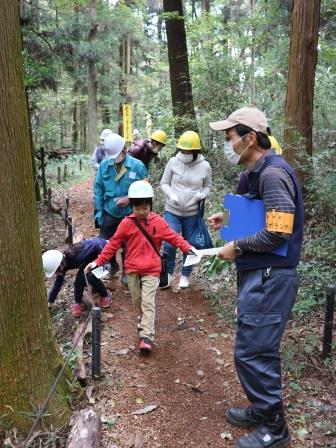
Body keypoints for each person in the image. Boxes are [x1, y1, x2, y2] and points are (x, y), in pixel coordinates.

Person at [208, 107, 304, 448]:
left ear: (250, 138)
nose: (226, 143)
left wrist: (237, 245)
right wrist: (230, 219)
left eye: (229, 136)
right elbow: (260, 213)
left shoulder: (274, 175)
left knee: (254, 352)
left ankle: (275, 429)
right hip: (260, 272)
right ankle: (263, 410)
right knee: (254, 346)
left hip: (271, 276)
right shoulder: (255, 173)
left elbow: (278, 232)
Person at [85, 181, 195, 352]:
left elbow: (174, 238)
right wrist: (97, 262)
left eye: (144, 208)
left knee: (148, 302)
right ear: (132, 207)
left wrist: (188, 248)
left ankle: (146, 336)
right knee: (137, 301)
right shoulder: (126, 223)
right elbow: (113, 244)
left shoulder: (158, 222)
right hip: (132, 269)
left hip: (152, 269)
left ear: (150, 205)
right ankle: (143, 318)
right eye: (137, 208)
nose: (141, 212)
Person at [160, 130, 212, 289]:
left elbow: (208, 186)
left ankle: (185, 275)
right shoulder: (173, 162)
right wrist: (171, 195)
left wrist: (201, 195)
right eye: (182, 150)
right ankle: (168, 274)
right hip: (172, 210)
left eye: (188, 151)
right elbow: (164, 183)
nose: (185, 154)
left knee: (189, 244)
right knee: (170, 242)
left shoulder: (205, 166)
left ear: (196, 151)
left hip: (192, 213)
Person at [94, 133, 147, 283]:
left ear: (124, 148)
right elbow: (98, 190)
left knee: (129, 244)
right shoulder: (104, 165)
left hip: (130, 213)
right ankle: (113, 266)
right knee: (105, 243)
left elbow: (145, 189)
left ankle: (126, 271)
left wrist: (129, 199)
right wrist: (98, 212)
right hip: (109, 211)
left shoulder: (137, 166)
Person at [42, 238, 111, 318]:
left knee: (90, 276)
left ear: (60, 264)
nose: (57, 273)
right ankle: (78, 302)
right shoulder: (63, 265)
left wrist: (104, 260)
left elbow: (97, 244)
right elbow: (58, 282)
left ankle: (105, 295)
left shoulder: (77, 255)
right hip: (89, 260)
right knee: (79, 281)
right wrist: (50, 301)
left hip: (103, 251)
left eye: (56, 270)